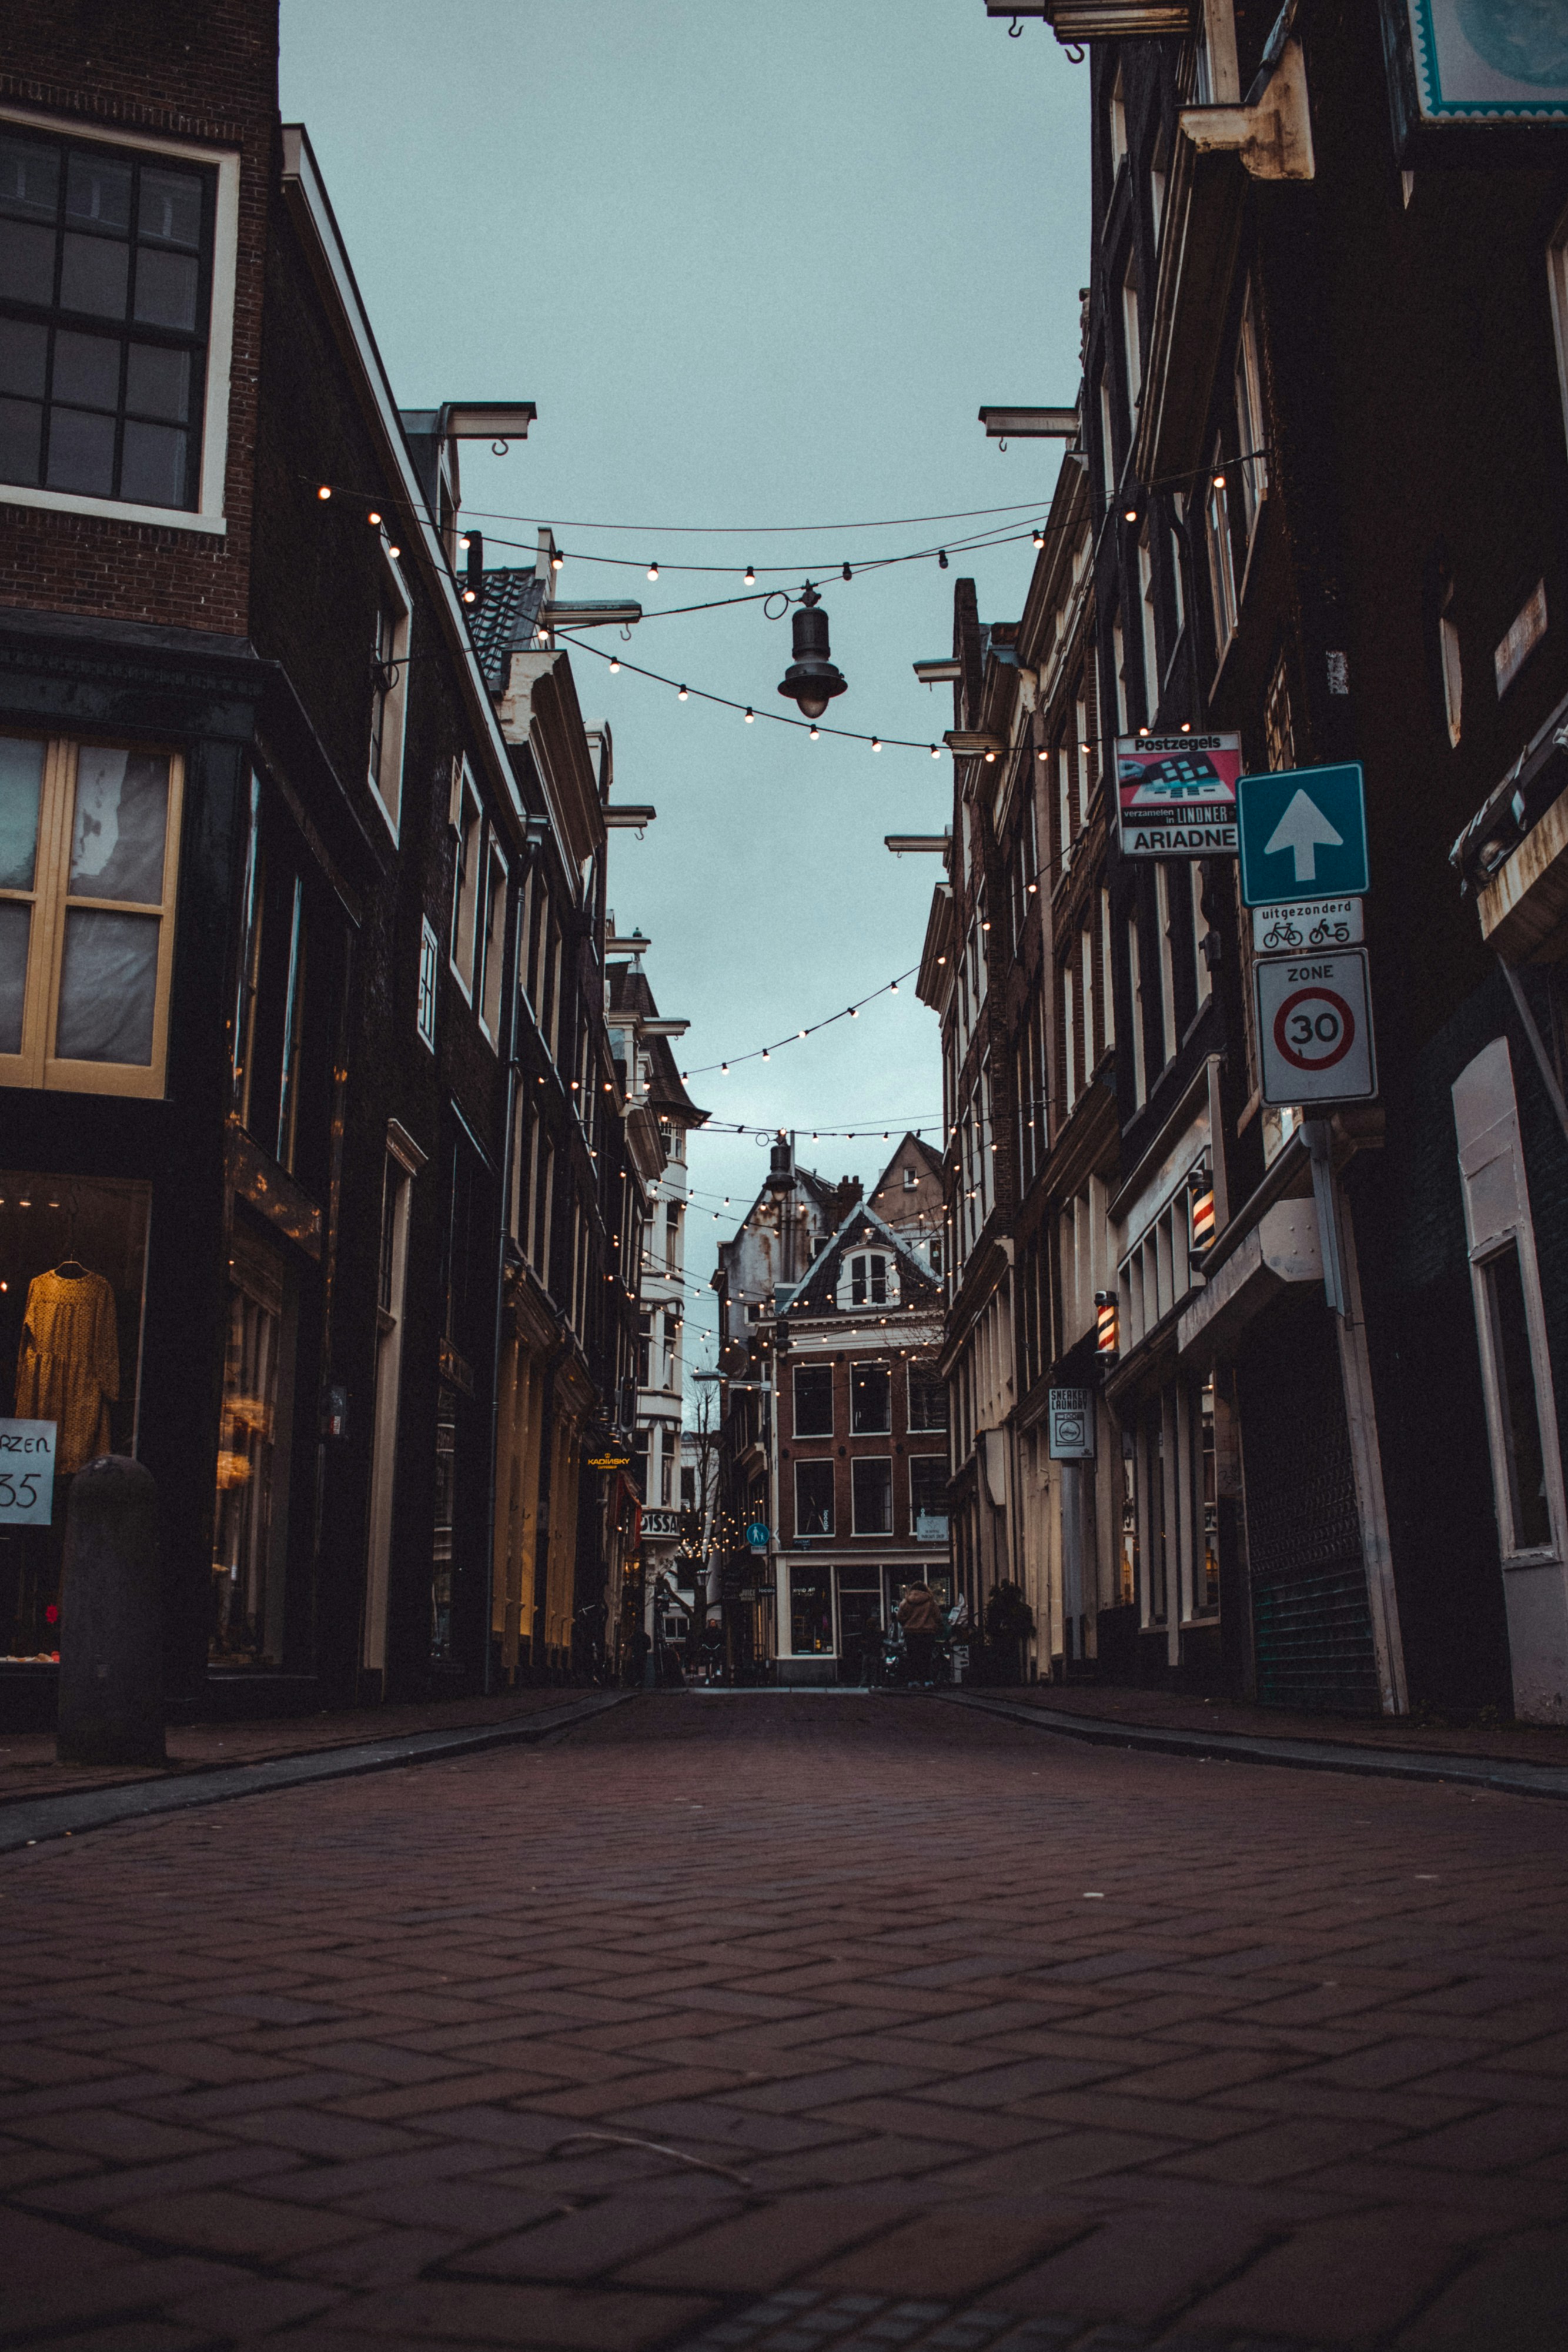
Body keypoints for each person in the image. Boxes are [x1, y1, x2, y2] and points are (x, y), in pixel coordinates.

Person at [897, 1579, 942, 1685]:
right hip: (927, 1632)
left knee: (913, 1657)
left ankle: (913, 1680)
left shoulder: (906, 1602)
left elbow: (900, 1617)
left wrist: (907, 1624)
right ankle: (927, 1680)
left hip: (911, 1633)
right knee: (926, 1657)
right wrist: (934, 1626)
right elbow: (938, 1618)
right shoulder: (931, 1602)